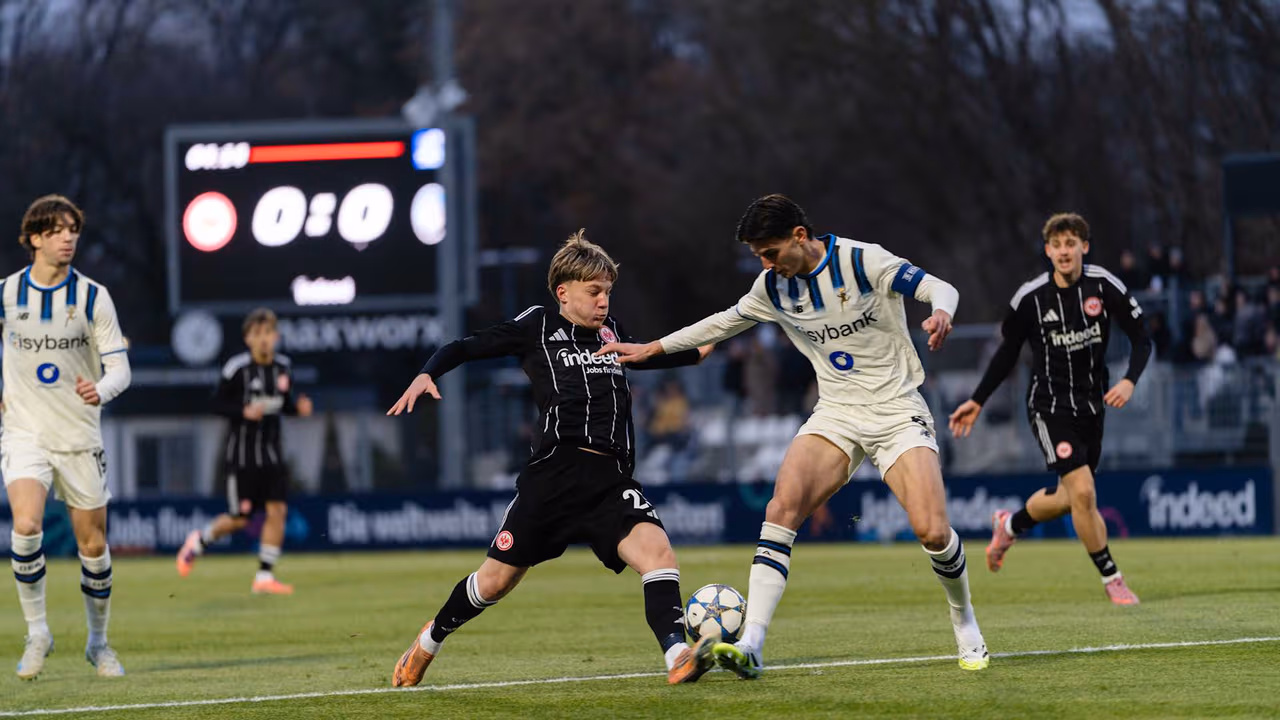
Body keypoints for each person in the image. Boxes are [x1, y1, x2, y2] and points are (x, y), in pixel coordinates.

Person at [598, 194, 988, 678]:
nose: (765, 264)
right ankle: (754, 643)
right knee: (781, 509)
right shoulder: (772, 287)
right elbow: (724, 321)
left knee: (932, 530)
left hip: (896, 408)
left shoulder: (863, 260)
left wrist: (942, 312)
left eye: (770, 252)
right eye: (758, 255)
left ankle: (963, 617)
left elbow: (938, 287)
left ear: (799, 236)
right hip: (836, 412)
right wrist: (654, 348)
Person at [385, 230, 717, 687]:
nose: (604, 301)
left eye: (608, 292)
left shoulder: (613, 333)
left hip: (610, 480)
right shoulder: (538, 326)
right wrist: (427, 373)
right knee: (495, 582)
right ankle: (430, 640)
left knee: (658, 554)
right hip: (554, 477)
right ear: (564, 292)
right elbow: (467, 346)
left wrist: (717, 333)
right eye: (594, 291)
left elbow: (672, 355)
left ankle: (679, 655)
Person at [949, 213, 1151, 606]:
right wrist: (978, 399)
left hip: (1092, 407)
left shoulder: (1104, 286)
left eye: (1071, 243)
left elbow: (1142, 339)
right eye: (1057, 244)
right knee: (1085, 493)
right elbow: (1006, 353)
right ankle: (1113, 579)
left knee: (1070, 498)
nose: (1064, 251)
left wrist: (1129, 380)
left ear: (1083, 248)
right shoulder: (1030, 298)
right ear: (1048, 250)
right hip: (1049, 407)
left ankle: (1009, 525)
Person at [4, 195, 132, 679]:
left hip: (78, 435)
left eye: (73, 229)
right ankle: (38, 633)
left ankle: (98, 644)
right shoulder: (6, 294)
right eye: (57, 230)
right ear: (35, 238)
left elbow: (121, 368)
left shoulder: (94, 296)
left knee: (93, 547)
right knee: (27, 524)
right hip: (24, 433)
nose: (68, 238)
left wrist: (100, 389)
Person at [176, 309, 313, 594]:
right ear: (248, 339)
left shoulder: (283, 367)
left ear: (276, 337)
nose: (264, 340)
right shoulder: (237, 368)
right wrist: (242, 411)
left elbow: (283, 403)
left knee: (278, 511)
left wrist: (297, 409)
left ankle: (264, 577)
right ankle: (198, 541)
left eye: (268, 333)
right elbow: (215, 404)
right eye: (257, 334)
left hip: (273, 455)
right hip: (242, 458)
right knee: (240, 518)